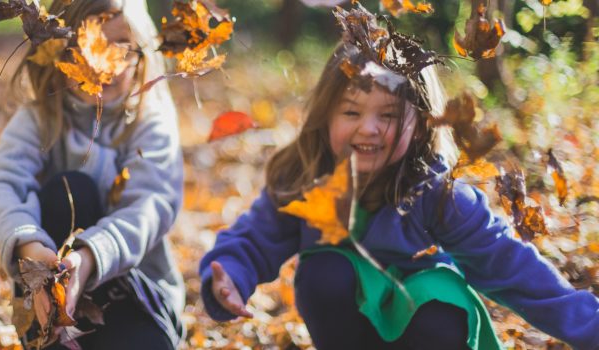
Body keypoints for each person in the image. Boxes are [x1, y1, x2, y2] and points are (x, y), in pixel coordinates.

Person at [198, 34, 599, 350]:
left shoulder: (438, 193)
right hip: (348, 325)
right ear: (326, 115)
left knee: (436, 300)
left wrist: (588, 326)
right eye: (351, 112)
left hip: (430, 328)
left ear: (421, 125)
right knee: (324, 271)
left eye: (387, 116)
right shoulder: (306, 179)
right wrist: (231, 275)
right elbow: (254, 238)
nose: (367, 128)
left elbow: (510, 266)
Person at [0, 0, 184, 348]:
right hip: (50, 306)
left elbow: (150, 207)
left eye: (121, 44)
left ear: (141, 51)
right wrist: (29, 248)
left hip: (137, 301)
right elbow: (0, 185)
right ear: (59, 54)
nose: (108, 62)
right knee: (69, 190)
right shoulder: (41, 119)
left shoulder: (150, 123)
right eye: (89, 46)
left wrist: (89, 258)